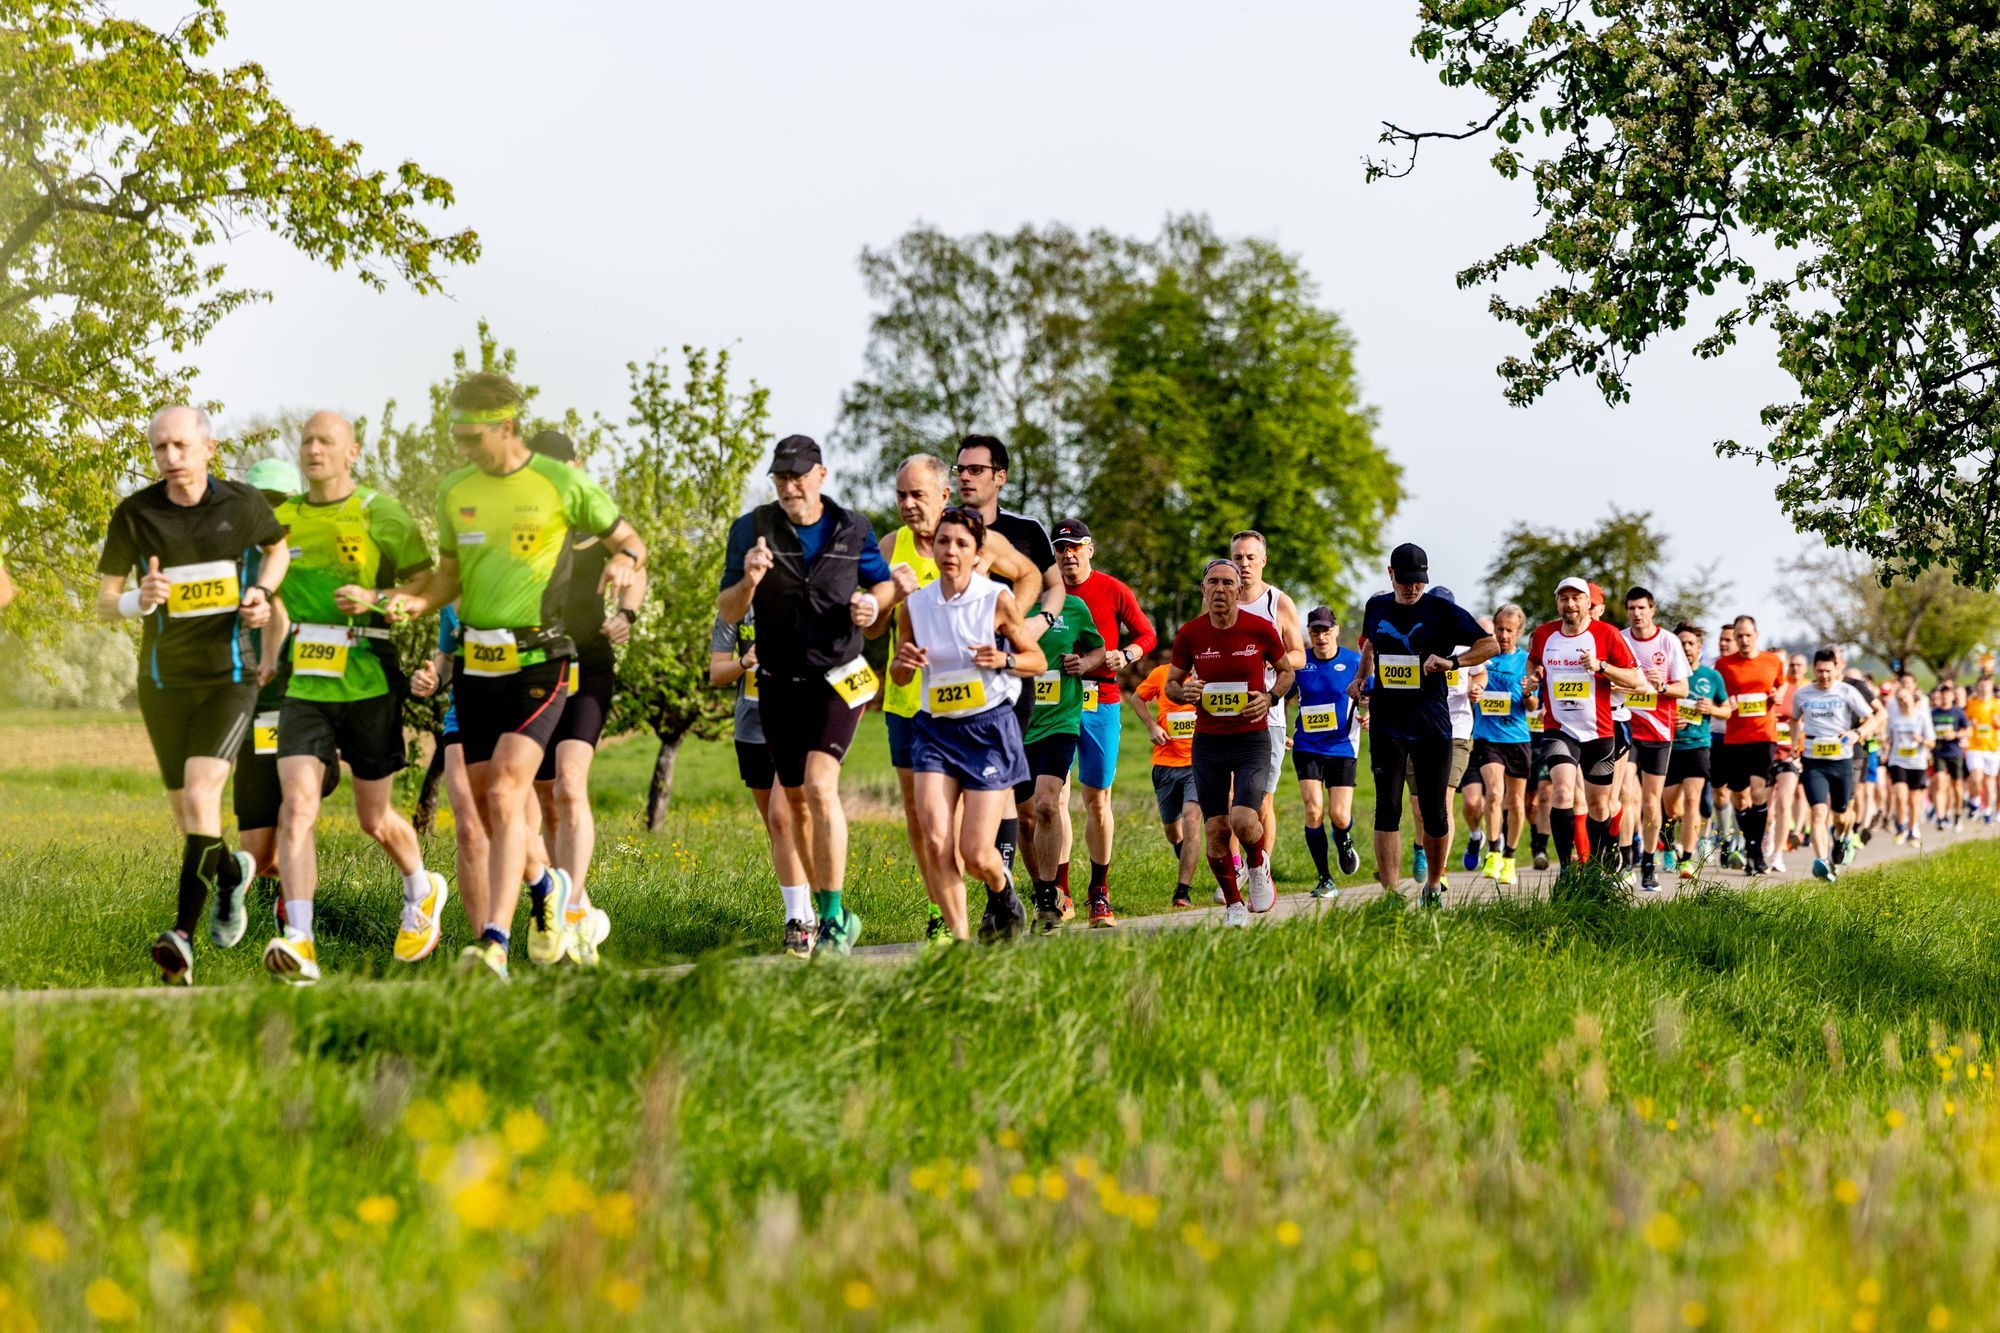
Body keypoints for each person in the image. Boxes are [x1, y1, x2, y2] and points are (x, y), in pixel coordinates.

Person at [374, 374, 645, 981]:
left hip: (541, 659)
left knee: (504, 790)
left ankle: (493, 944)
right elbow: (448, 580)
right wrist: (411, 604)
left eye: (473, 437)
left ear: (505, 427)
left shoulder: (563, 483)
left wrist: (625, 565)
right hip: (476, 666)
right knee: (493, 811)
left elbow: (630, 542)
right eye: (456, 437)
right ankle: (545, 884)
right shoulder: (454, 491)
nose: (463, 448)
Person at [95, 405, 289, 984]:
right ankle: (231, 876)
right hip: (161, 684)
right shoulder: (135, 514)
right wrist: (141, 599)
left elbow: (276, 549)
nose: (170, 459)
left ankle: (180, 937)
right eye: (159, 449)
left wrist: (259, 591)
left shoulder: (243, 505)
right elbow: (105, 602)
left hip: (228, 679)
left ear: (209, 448)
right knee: (191, 820)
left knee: (205, 798)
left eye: (180, 446)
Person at [259, 411, 445, 986]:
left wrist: (375, 596)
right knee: (298, 808)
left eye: (326, 441)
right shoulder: (281, 520)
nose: (313, 449)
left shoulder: (379, 513)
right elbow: (270, 590)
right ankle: (300, 942)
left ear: (352, 452)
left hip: (369, 676)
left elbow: (430, 588)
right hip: (305, 682)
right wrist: (268, 640)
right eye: (307, 440)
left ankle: (421, 889)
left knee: (372, 817)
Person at [717, 434, 904, 958]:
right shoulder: (751, 530)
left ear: (821, 475)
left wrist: (872, 603)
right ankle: (835, 915)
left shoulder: (853, 527)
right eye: (780, 478)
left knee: (821, 787)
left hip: (839, 679)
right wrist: (750, 580)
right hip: (778, 684)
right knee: (794, 801)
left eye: (798, 477)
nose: (790, 487)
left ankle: (832, 922)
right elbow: (728, 612)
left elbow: (885, 586)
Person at [867, 453, 1048, 941]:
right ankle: (956, 940)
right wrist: (901, 663)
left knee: (973, 850)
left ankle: (1001, 890)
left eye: (917, 494)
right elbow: (879, 636)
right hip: (927, 722)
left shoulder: (994, 594)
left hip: (987, 724)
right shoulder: (902, 575)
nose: (907, 504)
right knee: (932, 834)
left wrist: (1006, 652)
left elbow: (1034, 629)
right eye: (900, 495)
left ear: (975, 549)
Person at [524, 430, 644, 965]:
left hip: (589, 665)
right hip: (536, 667)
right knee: (544, 795)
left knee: (570, 785)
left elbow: (638, 559)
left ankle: (568, 912)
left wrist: (627, 614)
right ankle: (578, 907)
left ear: (575, 465)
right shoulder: (526, 523)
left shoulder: (599, 522)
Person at [1350, 544, 1498, 905]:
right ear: (1391, 575)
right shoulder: (1377, 606)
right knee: (1387, 807)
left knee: (1434, 811)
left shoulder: (1442, 610)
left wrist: (1452, 662)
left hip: (1432, 725)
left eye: (1419, 582)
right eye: (1406, 582)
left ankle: (1433, 883)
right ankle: (1390, 894)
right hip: (1387, 722)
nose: (1413, 589)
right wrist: (1360, 679)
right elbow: (1371, 645)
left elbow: (1490, 644)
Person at [953, 435, 1065, 883]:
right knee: (960, 794)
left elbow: (1052, 584)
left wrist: (1039, 622)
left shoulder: (1024, 531)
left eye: (975, 469)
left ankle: (1022, 894)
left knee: (1011, 793)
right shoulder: (944, 529)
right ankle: (968, 900)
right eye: (959, 468)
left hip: (1008, 675)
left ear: (999, 477)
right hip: (951, 675)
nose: (964, 476)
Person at [1039, 518, 1157, 924]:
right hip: (1053, 703)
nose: (1067, 555)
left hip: (1100, 699)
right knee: (1054, 798)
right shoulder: (1044, 594)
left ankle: (1099, 891)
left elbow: (1147, 634)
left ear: (1090, 549)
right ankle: (1062, 892)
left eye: (1074, 547)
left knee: (1097, 800)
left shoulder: (1112, 589)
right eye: (1060, 549)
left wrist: (1125, 656)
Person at [1168, 560, 1294, 925]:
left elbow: (1286, 672)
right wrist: (1184, 691)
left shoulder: (1260, 628)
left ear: (1239, 591)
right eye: (1213, 583)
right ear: (1204, 590)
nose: (1220, 589)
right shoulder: (1190, 634)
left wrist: (1270, 698)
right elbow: (1172, 685)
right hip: (1208, 741)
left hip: (1252, 737)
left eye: (1228, 583)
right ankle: (1234, 906)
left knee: (1243, 818)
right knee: (1215, 828)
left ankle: (1257, 863)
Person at [230, 457, 322, 928]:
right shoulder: (246, 555)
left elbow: (282, 614)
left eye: (278, 503)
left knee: (296, 818)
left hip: (298, 703)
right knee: (260, 853)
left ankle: (295, 920)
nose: (270, 512)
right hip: (259, 704)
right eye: (262, 502)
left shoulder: (298, 553)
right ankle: (285, 895)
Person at [711, 608, 820, 955]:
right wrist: (745, 662)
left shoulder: (806, 595)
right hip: (751, 729)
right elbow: (717, 673)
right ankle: (810, 914)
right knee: (779, 830)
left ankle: (797, 923)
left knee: (782, 817)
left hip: (799, 722)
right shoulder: (735, 607)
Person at [1521, 577, 1646, 871]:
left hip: (1599, 731)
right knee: (1563, 791)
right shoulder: (1543, 634)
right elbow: (1532, 660)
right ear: (1557, 604)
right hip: (1559, 728)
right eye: (1564, 599)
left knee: (1600, 806)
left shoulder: (1607, 634)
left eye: (1576, 598)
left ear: (1588, 603)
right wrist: (1534, 677)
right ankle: (1566, 868)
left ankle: (1600, 866)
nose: (1570, 604)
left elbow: (1637, 682)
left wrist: (1601, 666)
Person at [1013, 582, 1105, 930]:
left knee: (1048, 805)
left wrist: (1083, 663)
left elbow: (1098, 649)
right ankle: (1041, 891)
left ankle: (1052, 895)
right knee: (1025, 818)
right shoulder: (1004, 601)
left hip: (1060, 721)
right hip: (1017, 723)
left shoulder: (1074, 607)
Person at [1231, 531, 1307, 866]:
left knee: (1261, 801)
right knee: (1232, 798)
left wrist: (1270, 659)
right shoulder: (1220, 598)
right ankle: (1235, 872)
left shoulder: (1278, 602)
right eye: (1238, 558)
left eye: (1250, 557)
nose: (1244, 564)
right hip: (1225, 713)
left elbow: (1300, 655)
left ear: (1263, 560)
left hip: (1268, 715)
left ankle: (1260, 869)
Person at [1616, 587, 1690, 891]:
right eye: (1631, 608)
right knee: (1625, 794)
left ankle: (1649, 862)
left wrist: (1660, 688)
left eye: (1641, 608)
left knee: (1649, 801)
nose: (1636, 614)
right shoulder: (1619, 639)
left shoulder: (1668, 641)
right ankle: (1625, 860)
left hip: (1659, 732)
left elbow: (1683, 689)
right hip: (1626, 727)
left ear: (1652, 610)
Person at [1287, 605, 1363, 897]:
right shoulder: (1299, 663)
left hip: (1342, 746)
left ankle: (1343, 841)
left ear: (1336, 630)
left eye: (1325, 630)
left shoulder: (1353, 661)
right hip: (1307, 746)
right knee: (1313, 809)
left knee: (1339, 816)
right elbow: (1282, 694)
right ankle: (1324, 879)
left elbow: (1368, 696)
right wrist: (1283, 731)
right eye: (1315, 631)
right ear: (1309, 633)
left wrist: (1367, 714)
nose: (1320, 637)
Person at [1412, 587, 1483, 887]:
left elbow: (1480, 672)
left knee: (1443, 799)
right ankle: (1421, 848)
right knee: (1420, 805)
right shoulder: (1419, 638)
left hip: (1457, 730)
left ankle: (1438, 872)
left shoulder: (1464, 642)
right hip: (1422, 728)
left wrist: (1476, 688)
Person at [1788, 649, 1877, 880]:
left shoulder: (1847, 691)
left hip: (1841, 761)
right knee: (1818, 812)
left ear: (1836, 669)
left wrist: (1857, 733)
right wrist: (1794, 743)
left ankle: (1840, 838)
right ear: (1813, 669)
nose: (1824, 675)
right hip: (1813, 760)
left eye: (1828, 671)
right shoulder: (1802, 694)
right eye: (1819, 671)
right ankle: (1823, 861)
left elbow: (1872, 719)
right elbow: (1794, 720)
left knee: (1841, 815)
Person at [1714, 614, 1788, 875]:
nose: (1744, 640)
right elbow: (1717, 698)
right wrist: (1725, 705)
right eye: (1739, 636)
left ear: (1756, 635)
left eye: (1748, 635)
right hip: (1734, 738)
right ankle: (1750, 847)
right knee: (1739, 797)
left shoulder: (1772, 661)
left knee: (1758, 792)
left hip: (1763, 735)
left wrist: (1778, 694)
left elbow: (1781, 685)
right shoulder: (1723, 665)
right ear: (1734, 638)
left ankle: (1755, 850)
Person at [1131, 649, 1203, 909]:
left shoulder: (1206, 677)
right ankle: (1184, 855)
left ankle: (1182, 890)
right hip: (1164, 765)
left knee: (1193, 819)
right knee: (1174, 833)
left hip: (1196, 765)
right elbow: (1136, 698)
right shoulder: (1161, 674)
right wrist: (1152, 725)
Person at [1467, 603, 1531, 886]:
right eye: (1499, 629)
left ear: (1519, 632)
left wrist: (1529, 694)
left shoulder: (1527, 661)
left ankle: (1510, 857)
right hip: (1487, 736)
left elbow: (1534, 704)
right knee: (1494, 793)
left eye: (1509, 630)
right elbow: (1469, 684)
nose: (1503, 635)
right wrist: (1474, 692)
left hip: (1517, 738)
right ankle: (1493, 850)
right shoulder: (1484, 657)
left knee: (1516, 802)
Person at [1665, 623, 1728, 880]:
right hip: (1668, 747)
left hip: (1698, 746)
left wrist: (1712, 709)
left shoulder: (1711, 677)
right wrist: (1671, 719)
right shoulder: (1666, 674)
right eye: (1681, 643)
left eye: (1691, 644)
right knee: (1671, 810)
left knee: (1693, 800)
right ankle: (1670, 845)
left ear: (1700, 648)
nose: (1687, 648)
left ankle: (1687, 859)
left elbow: (1727, 710)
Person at [1884, 673, 1937, 843]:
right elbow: (1886, 737)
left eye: (1905, 698)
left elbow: (1932, 742)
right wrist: (1885, 746)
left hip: (1917, 762)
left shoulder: (1922, 717)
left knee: (1914, 800)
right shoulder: (1893, 717)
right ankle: (1901, 825)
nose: (1902, 702)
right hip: (1898, 760)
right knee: (1900, 795)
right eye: (1899, 699)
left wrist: (1920, 739)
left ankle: (1913, 829)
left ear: (1913, 698)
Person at [1931, 682, 1969, 832]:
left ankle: (1958, 815)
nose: (1945, 696)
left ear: (1953, 696)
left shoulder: (1958, 713)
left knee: (1957, 787)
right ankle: (1940, 818)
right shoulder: (1933, 713)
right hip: (1939, 752)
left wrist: (1955, 734)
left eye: (1948, 693)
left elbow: (1967, 731)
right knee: (1940, 782)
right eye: (1943, 693)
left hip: (1954, 752)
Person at [1966, 676, 2000, 823]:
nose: (1984, 688)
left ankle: (1987, 811)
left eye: (1986, 686)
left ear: (1991, 687)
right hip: (1974, 746)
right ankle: (1975, 801)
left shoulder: (1996, 704)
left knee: (1988, 783)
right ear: (1977, 687)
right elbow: (1965, 723)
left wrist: (1996, 722)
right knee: (1976, 777)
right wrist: (1970, 723)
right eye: (1981, 686)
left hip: (1992, 747)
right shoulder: (1971, 704)